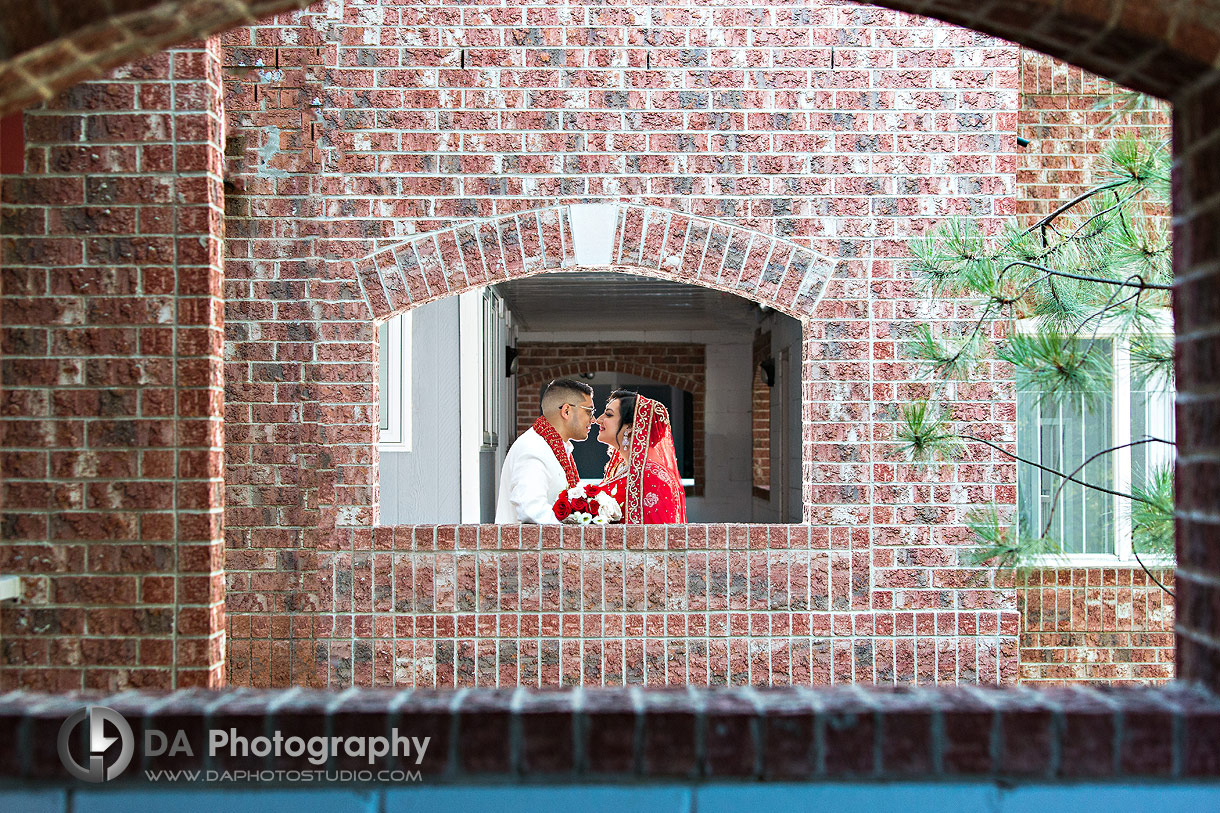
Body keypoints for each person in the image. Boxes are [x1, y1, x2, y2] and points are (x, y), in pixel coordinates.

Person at [495, 378, 595, 523]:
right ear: (566, 411)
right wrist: (577, 532)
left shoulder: (554, 448)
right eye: (589, 411)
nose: (593, 419)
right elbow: (532, 510)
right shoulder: (533, 449)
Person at [593, 389, 686, 523]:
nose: (599, 420)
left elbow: (654, 538)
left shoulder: (651, 477)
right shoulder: (623, 470)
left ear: (631, 426)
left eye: (608, 414)